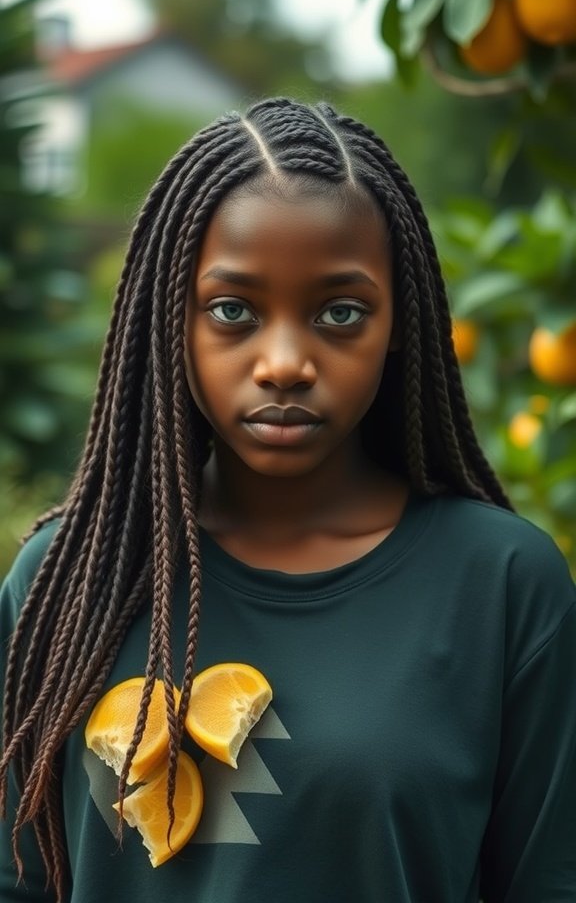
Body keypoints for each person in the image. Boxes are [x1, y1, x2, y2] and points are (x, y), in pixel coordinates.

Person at [1, 97, 575, 903]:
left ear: (400, 323)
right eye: (232, 310)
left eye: (339, 312)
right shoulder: (64, 582)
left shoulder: (504, 584)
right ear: (173, 322)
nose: (283, 363)